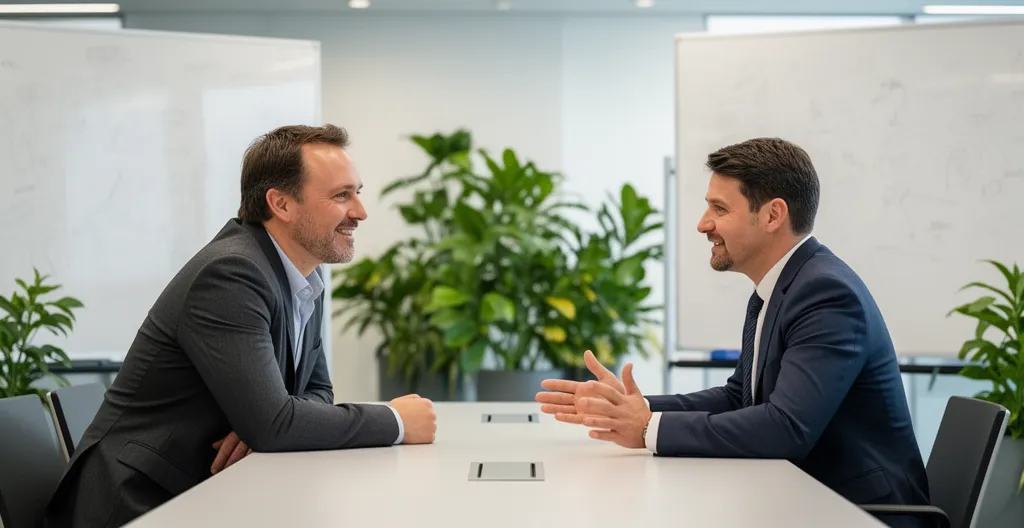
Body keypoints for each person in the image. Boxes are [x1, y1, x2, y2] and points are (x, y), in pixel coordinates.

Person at [43, 124, 437, 527]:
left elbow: (316, 392)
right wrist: (395, 421)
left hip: (202, 491)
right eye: (341, 195)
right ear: (281, 204)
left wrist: (268, 423)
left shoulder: (302, 276)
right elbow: (276, 423)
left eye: (357, 192)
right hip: (136, 504)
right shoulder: (232, 274)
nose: (360, 211)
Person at [536, 138, 930, 526]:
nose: (703, 224)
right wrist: (631, 408)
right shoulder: (780, 289)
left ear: (774, 215)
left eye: (719, 208)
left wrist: (646, 428)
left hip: (862, 512)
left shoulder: (826, 294)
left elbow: (786, 428)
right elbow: (739, 398)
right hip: (802, 497)